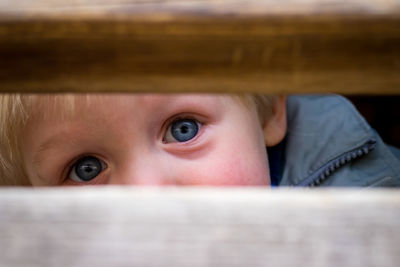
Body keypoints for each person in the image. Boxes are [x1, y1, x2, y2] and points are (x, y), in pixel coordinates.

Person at [0, 94, 399, 187]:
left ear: (269, 110)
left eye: (183, 129)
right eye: (86, 170)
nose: (147, 197)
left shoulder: (377, 205)